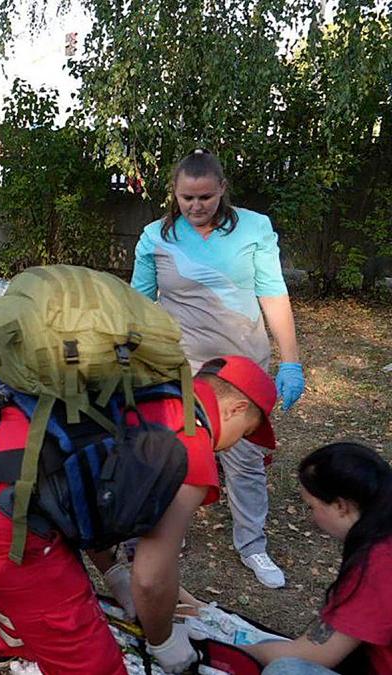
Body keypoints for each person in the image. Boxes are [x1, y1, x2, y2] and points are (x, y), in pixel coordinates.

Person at [0, 355, 278, 674]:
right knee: (93, 661)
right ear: (235, 408)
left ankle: (12, 647)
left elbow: (90, 489)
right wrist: (164, 640)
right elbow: (151, 577)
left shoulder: (145, 391)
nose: (234, 445)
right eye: (245, 433)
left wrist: (113, 572)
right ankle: (25, 648)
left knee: (19, 588)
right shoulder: (192, 445)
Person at [132, 149, 305, 589]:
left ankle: (253, 545)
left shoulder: (254, 228)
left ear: (222, 190)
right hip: (181, 365)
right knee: (174, 451)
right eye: (187, 197)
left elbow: (272, 293)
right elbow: (137, 303)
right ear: (174, 193)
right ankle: (164, 531)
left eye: (205, 197)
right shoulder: (155, 237)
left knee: (244, 459)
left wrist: (291, 360)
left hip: (241, 368)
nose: (196, 206)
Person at [244, 443, 392, 674]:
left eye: (311, 506)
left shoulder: (378, 565)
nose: (312, 517)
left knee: (284, 669)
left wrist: (232, 650)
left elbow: (313, 654)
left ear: (341, 506)